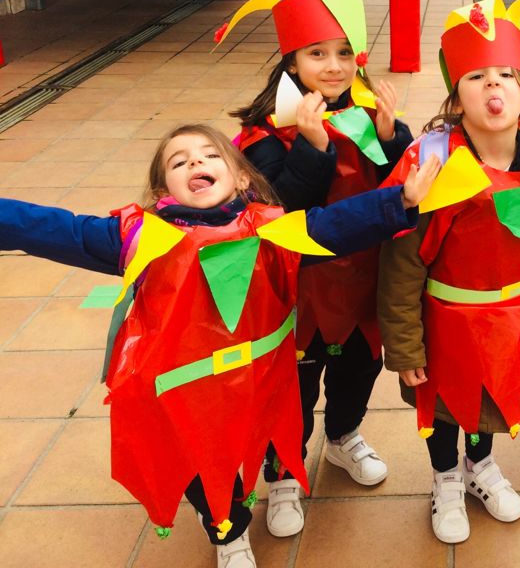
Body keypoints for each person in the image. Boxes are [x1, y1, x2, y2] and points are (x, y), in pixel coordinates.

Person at [0, 123, 438, 568]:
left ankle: (283, 479)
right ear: (161, 188)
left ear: (242, 178)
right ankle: (228, 532)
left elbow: (332, 226)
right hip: (188, 395)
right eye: (179, 160)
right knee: (205, 468)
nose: (195, 162)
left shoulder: (272, 229)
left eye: (210, 155)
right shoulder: (139, 237)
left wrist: (397, 199)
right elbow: (59, 229)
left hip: (261, 382)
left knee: (269, 440)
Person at [376, 0, 520, 544]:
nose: (493, 86)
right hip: (447, 322)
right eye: (476, 75)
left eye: (505, 74)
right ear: (457, 99)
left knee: (495, 400)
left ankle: (481, 468)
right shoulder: (435, 168)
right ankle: (445, 478)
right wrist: (405, 347)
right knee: (447, 407)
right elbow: (402, 266)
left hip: (517, 318)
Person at [222, 0, 413, 537]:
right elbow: (278, 213)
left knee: (357, 372)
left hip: (363, 285)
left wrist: (390, 136)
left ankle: (342, 437)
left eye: (344, 52)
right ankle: (282, 471)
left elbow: (401, 190)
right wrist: (309, 146)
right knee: (294, 390)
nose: (334, 66)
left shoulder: (365, 115)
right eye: (317, 53)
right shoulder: (262, 137)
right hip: (298, 295)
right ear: (291, 62)